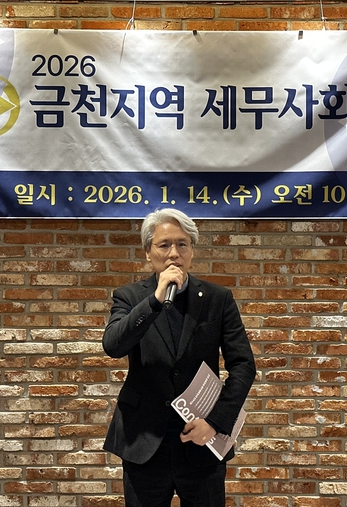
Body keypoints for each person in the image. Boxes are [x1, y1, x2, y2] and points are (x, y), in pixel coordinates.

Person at [102, 208, 256, 507]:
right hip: (143, 439)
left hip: (201, 438)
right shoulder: (130, 297)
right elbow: (113, 345)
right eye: (164, 245)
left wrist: (215, 422)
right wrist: (154, 301)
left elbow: (243, 365)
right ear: (148, 252)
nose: (174, 253)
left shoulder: (217, 299)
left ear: (192, 251)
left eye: (182, 244)